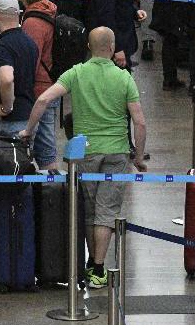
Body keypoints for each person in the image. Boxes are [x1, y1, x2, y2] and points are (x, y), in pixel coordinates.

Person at [22, 26, 147, 288]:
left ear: (88, 47)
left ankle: (91, 265)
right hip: (117, 152)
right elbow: (140, 122)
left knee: (89, 210)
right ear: (112, 48)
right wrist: (137, 157)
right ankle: (98, 268)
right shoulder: (124, 78)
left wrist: (28, 131)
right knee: (107, 211)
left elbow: (43, 100)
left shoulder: (76, 73)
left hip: (85, 152)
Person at [4, 0, 60, 168]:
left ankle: (51, 192)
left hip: (40, 89)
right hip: (49, 84)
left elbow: (30, 60)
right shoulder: (48, 10)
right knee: (46, 143)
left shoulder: (33, 22)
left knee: (45, 148)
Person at [0, 0, 37, 137]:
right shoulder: (30, 43)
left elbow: (6, 79)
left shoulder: (2, 46)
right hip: (26, 115)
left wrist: (7, 108)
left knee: (1, 159)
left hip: (7, 123)